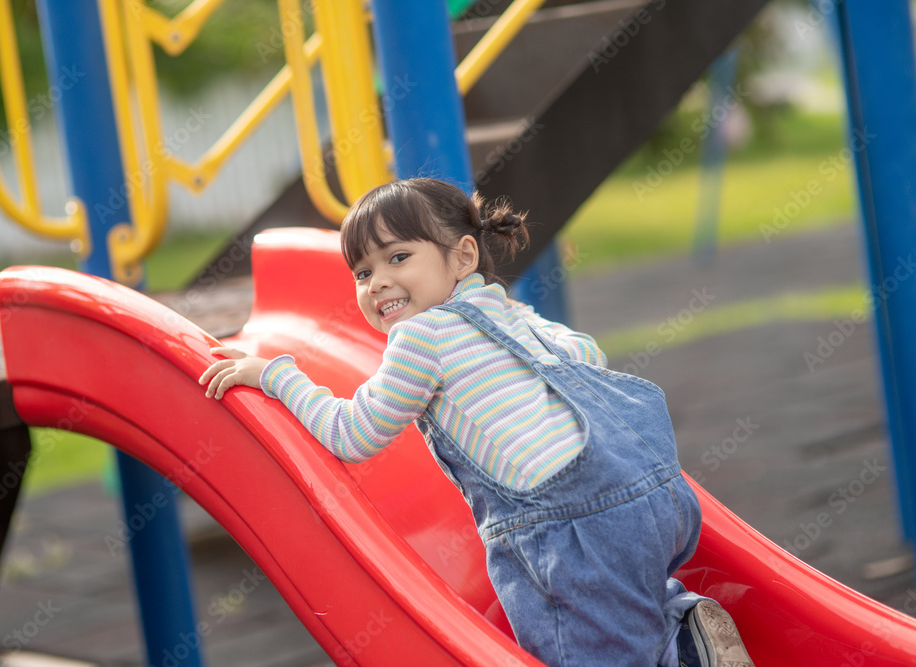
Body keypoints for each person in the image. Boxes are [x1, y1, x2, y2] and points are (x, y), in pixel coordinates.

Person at [199, 178, 754, 667]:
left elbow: (353, 433)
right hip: (656, 494)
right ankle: (677, 630)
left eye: (398, 258)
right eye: (362, 271)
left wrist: (278, 377)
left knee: (579, 647)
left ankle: (673, 640)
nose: (377, 282)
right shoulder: (509, 310)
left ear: (463, 256)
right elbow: (585, 353)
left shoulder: (419, 336)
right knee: (619, 609)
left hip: (569, 527)